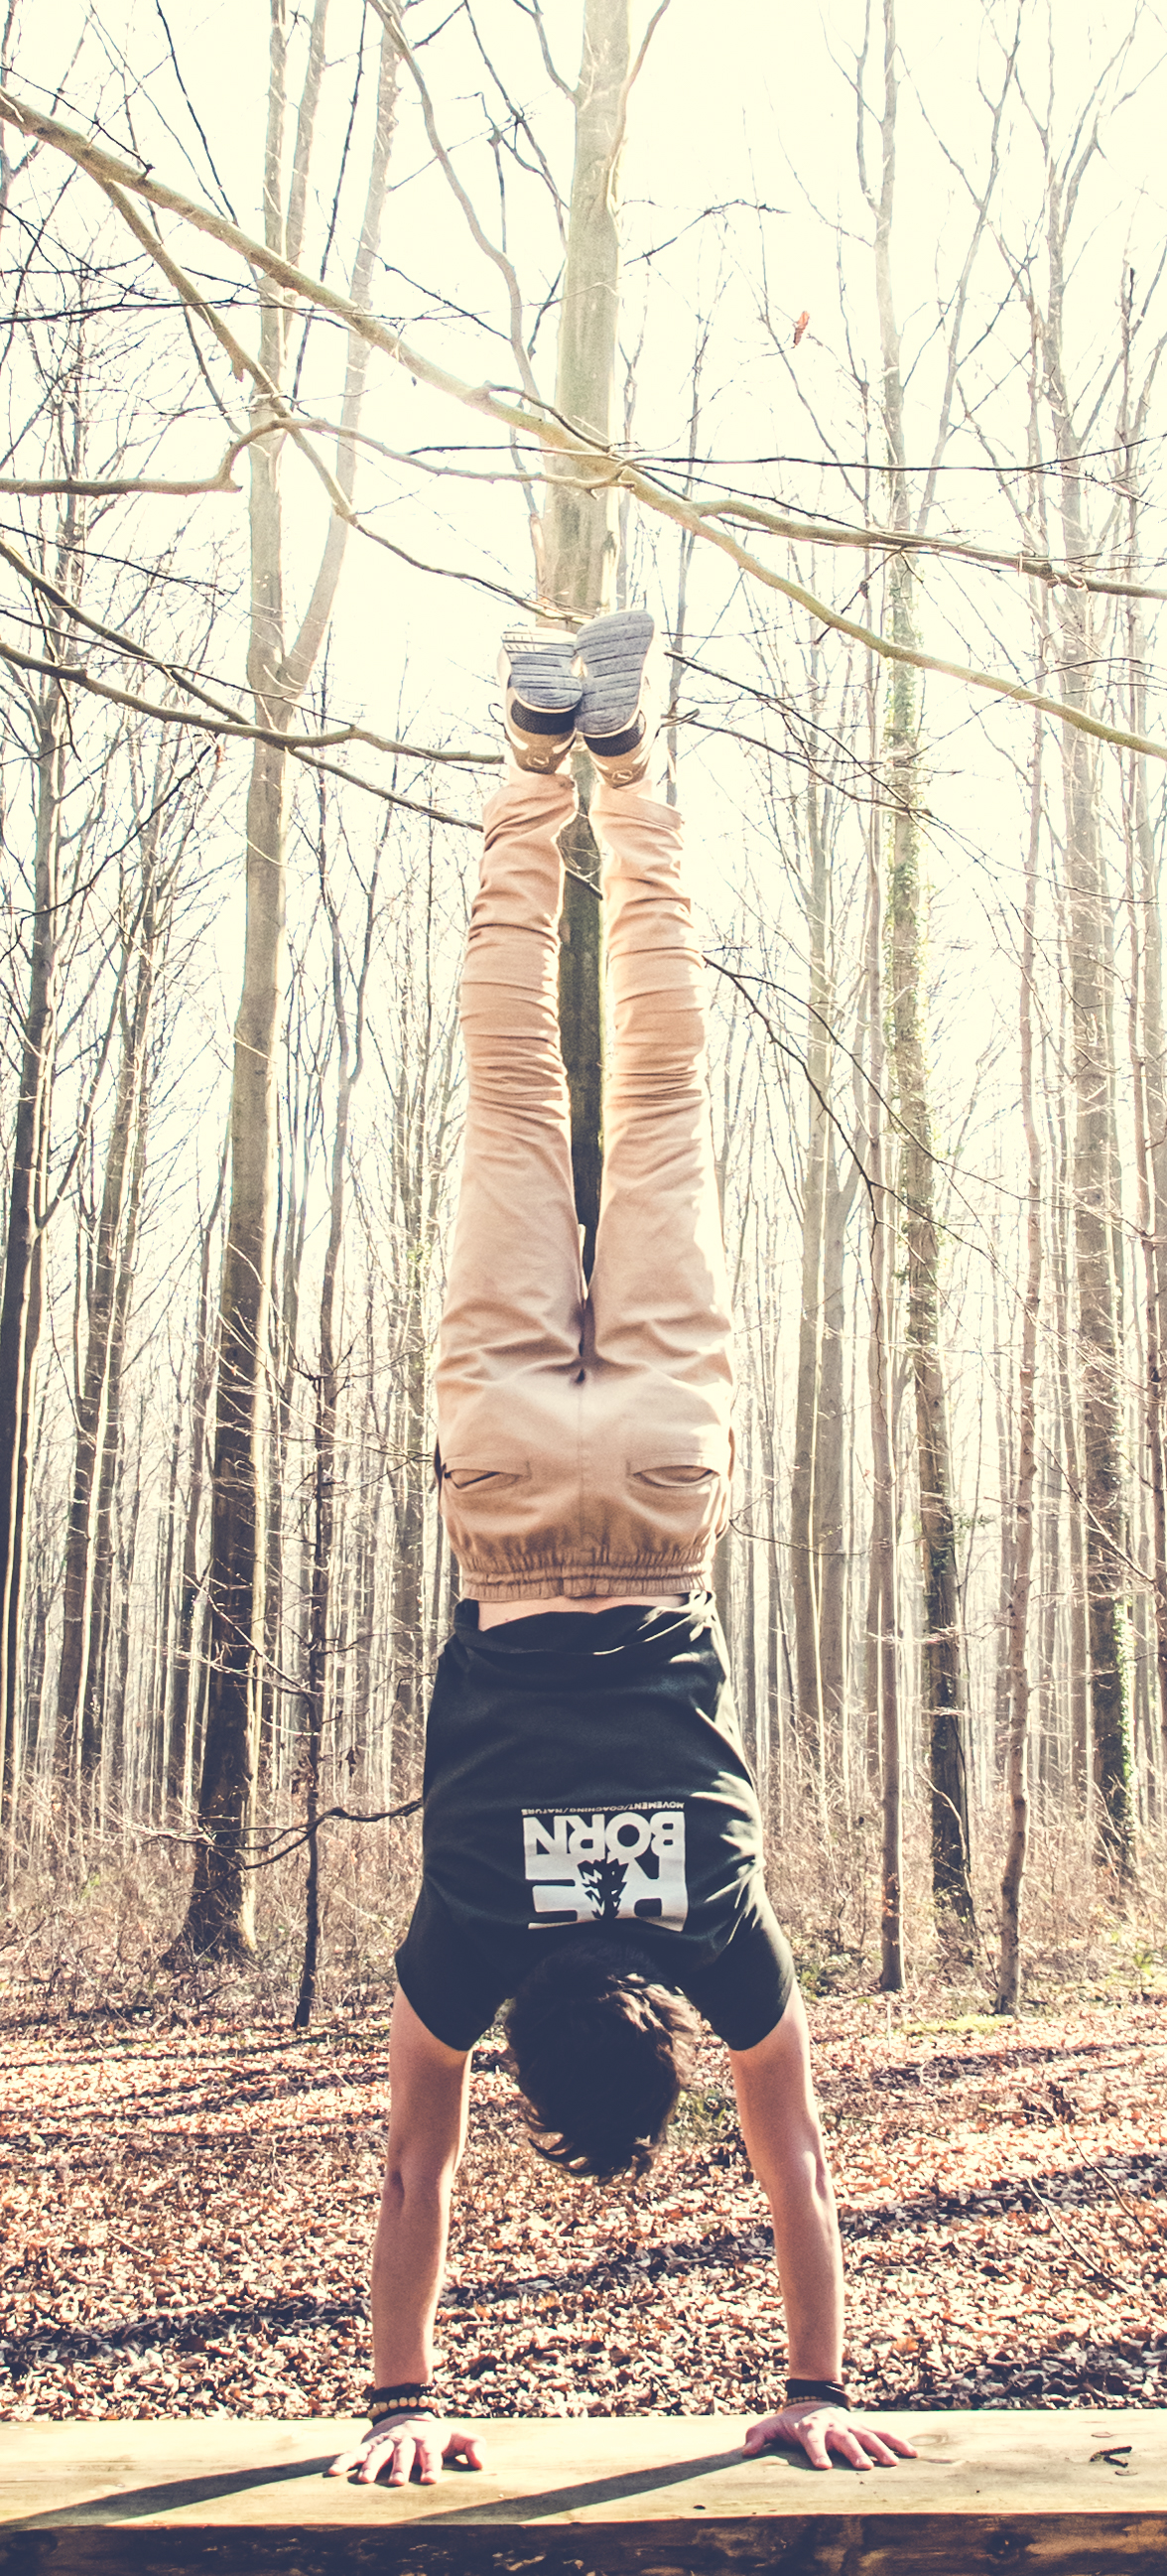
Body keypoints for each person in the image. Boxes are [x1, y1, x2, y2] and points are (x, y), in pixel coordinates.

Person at [334, 612, 913, 2494]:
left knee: (661, 1102)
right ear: (522, 2037)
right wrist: (400, 2399)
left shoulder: (720, 1931)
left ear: (656, 2023)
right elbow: (412, 2171)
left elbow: (798, 2166)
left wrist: (814, 2378)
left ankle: (633, 771)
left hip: (660, 1504)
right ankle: (533, 758)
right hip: (510, 1499)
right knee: (514, 1094)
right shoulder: (468, 1941)